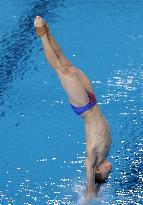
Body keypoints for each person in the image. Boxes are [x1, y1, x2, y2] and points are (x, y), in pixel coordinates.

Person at [34, 16, 112, 198]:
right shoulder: (105, 152)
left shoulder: (93, 157)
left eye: (105, 176)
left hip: (84, 107)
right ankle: (47, 30)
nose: (109, 174)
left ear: (98, 171)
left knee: (61, 70)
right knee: (68, 65)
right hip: (92, 101)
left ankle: (41, 35)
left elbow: (87, 167)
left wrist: (90, 189)